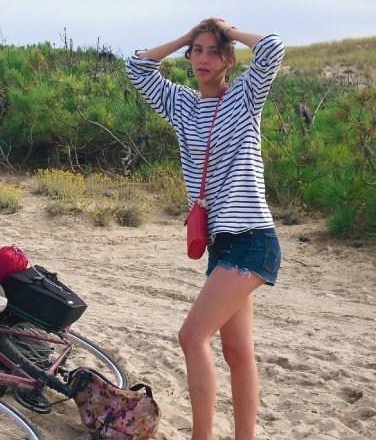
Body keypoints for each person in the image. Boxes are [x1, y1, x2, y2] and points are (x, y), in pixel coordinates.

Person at [126, 18, 285, 440]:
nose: (203, 59)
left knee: (191, 336)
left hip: (253, 238)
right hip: (221, 243)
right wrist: (188, 35)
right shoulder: (183, 105)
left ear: (229, 59)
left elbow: (273, 47)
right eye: (197, 51)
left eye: (214, 51)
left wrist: (229, 32)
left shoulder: (246, 97)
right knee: (237, 351)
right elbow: (136, 66)